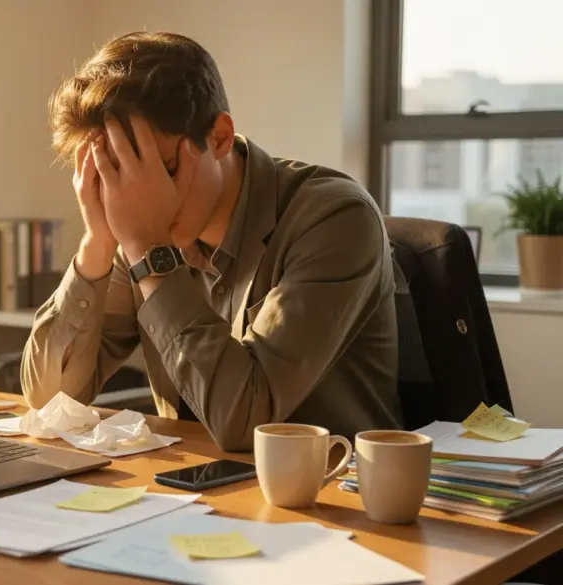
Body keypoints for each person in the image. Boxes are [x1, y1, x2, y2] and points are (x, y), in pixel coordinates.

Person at [20, 31, 403, 452]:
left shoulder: (335, 218)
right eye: (119, 177)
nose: (143, 197)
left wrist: (150, 251)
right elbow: (49, 401)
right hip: (194, 480)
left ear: (219, 137)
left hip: (329, 484)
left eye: (162, 169)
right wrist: (97, 242)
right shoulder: (134, 228)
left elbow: (246, 421)